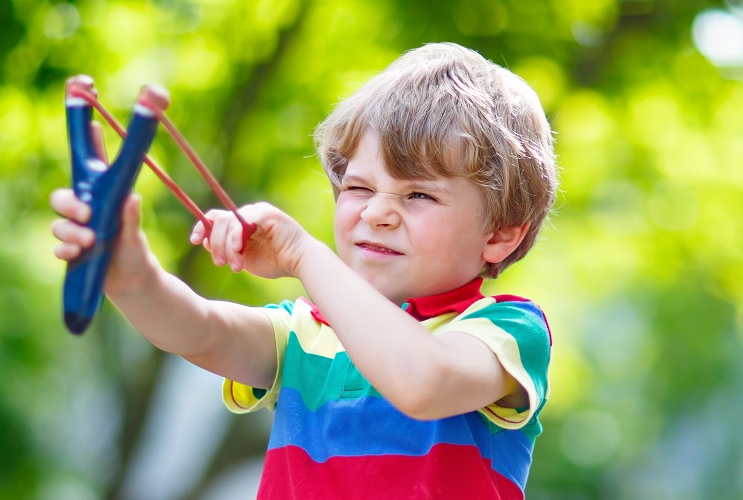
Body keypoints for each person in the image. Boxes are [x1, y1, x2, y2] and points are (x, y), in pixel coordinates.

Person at [50, 42, 558, 498]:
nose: (375, 213)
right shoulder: (307, 331)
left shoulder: (507, 331)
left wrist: (304, 255)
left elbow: (421, 381)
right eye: (358, 188)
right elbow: (199, 331)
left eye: (419, 194)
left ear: (501, 234)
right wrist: (128, 271)